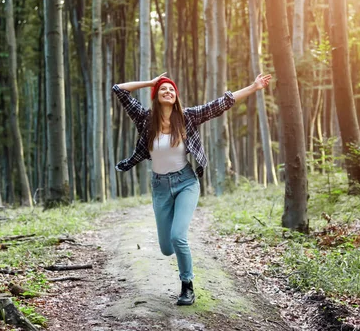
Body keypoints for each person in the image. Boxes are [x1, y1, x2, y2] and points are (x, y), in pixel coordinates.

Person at [112, 72, 272, 306]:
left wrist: (253, 87)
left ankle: (187, 286)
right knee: (167, 249)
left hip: (186, 182)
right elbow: (119, 89)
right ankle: (181, 261)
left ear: (176, 96)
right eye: (163, 89)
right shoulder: (145, 119)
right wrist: (150, 82)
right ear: (156, 96)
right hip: (160, 186)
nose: (168, 91)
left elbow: (221, 103)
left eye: (172, 89)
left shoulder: (187, 117)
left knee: (178, 237)